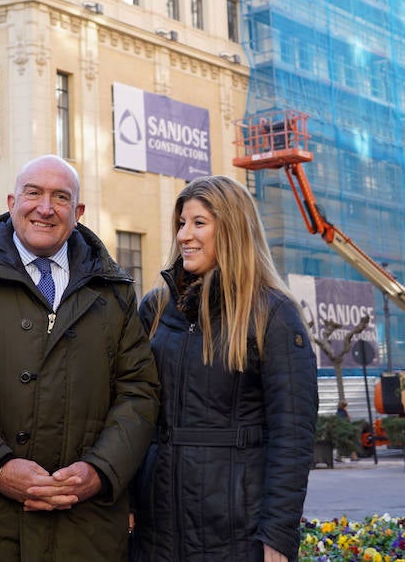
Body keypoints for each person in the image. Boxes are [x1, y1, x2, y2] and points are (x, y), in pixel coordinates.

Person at [0, 155, 159, 561]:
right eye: (33, 193)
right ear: (13, 201)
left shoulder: (114, 291)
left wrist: (99, 471)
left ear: (78, 211)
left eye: (60, 197)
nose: (45, 208)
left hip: (83, 529)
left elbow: (139, 392)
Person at [129, 175, 318, 562]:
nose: (184, 235)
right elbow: (133, 412)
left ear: (231, 229)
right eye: (182, 223)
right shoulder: (155, 308)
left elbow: (293, 436)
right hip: (157, 529)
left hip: (236, 532)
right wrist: (128, 498)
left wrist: (278, 536)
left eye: (199, 223)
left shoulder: (273, 314)